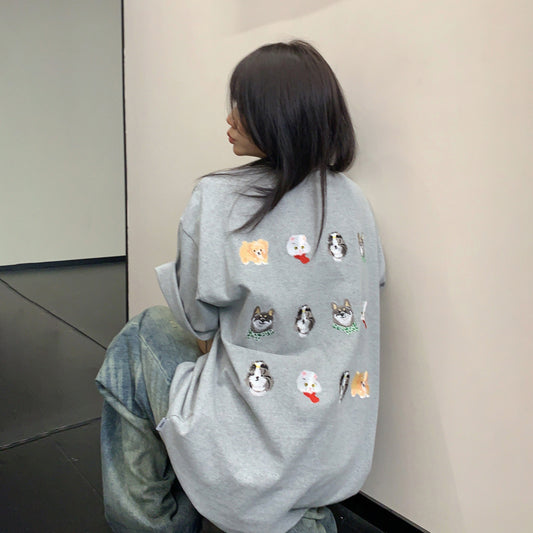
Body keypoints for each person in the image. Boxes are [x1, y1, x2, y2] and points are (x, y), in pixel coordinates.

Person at [96, 40, 386, 533]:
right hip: (333, 456)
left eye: (243, 107)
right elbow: (365, 285)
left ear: (280, 117)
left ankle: (154, 525)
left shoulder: (220, 197)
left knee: (140, 337)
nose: (229, 119)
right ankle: (298, 517)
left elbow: (198, 321)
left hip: (254, 454)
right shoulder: (353, 200)